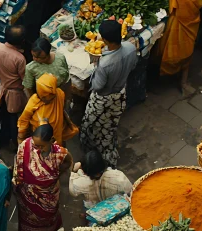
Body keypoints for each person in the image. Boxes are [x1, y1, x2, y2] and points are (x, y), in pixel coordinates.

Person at [80, 20, 137, 168]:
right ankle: (108, 150)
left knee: (91, 125)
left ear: (105, 40)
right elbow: (133, 66)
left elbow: (98, 86)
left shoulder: (105, 63)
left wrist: (96, 66)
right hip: (120, 94)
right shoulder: (131, 47)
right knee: (110, 125)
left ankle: (96, 156)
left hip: (103, 99)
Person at [13, 124, 72, 231]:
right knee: (28, 221)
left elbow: (68, 161)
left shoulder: (59, 153)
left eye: (41, 146)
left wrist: (57, 173)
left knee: (49, 217)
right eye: (35, 145)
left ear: (51, 141)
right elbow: (18, 167)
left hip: (49, 195)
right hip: (28, 195)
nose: (37, 148)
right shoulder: (25, 146)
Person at [0, 25, 28, 149]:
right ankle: (15, 142)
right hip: (14, 93)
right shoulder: (20, 59)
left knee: (4, 113)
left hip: (3, 87)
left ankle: (1, 137)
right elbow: (24, 80)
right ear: (22, 42)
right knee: (13, 119)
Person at [157, 0, 202, 93]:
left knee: (186, 49)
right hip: (178, 17)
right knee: (173, 47)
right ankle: (178, 79)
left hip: (189, 16)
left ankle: (182, 81)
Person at [17, 73, 78, 146]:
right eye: (44, 97)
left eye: (51, 97)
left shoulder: (60, 94)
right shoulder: (34, 101)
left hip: (56, 136)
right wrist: (21, 137)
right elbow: (24, 119)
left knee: (56, 153)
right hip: (40, 138)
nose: (47, 100)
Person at [23, 38, 71, 104]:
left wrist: (67, 97)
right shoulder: (30, 68)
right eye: (33, 56)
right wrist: (34, 103)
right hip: (44, 101)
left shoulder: (60, 58)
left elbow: (66, 79)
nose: (35, 59)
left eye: (40, 58)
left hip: (60, 95)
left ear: (48, 53)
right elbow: (28, 87)